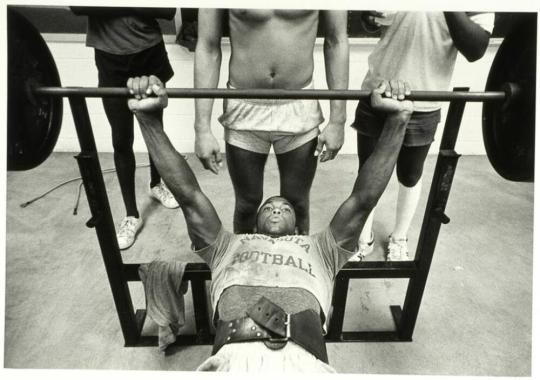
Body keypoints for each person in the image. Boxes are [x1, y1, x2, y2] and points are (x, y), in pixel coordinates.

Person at [126, 74, 412, 372]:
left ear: (300, 226)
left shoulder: (322, 247)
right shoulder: (227, 244)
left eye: (285, 207)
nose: (276, 208)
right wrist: (148, 120)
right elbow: (188, 195)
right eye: (269, 207)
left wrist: (397, 121)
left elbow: (363, 200)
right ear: (253, 223)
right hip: (232, 360)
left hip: (303, 361)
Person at [349, 12, 494, 262]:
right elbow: (372, 20)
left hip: (425, 98)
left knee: (410, 174)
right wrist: (369, 19)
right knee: (368, 169)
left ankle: (399, 237)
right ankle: (363, 237)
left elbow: (476, 48)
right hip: (378, 90)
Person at [193, 9, 349, 235]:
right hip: (244, 105)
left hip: (299, 103)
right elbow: (207, 46)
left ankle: (298, 269)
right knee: (247, 204)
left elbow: (336, 41)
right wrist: (202, 128)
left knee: (297, 204)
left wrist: (338, 120)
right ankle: (245, 267)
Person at [70, 7, 180, 250]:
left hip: (148, 50)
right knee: (121, 140)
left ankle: (155, 185)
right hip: (110, 56)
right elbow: (78, 6)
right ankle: (132, 214)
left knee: (154, 130)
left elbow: (167, 10)